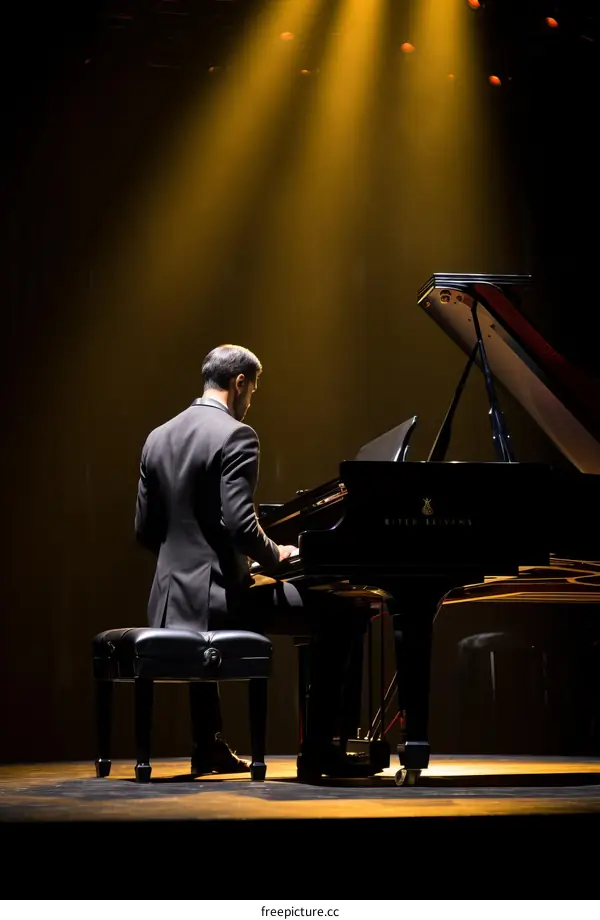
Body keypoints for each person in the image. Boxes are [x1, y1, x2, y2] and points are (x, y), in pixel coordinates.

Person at [135, 343, 376, 780]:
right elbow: (241, 527)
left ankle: (208, 746)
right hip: (222, 599)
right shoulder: (235, 435)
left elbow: (145, 531)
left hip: (168, 600)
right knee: (341, 610)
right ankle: (320, 750)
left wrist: (188, 567)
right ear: (239, 383)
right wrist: (277, 553)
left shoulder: (156, 437)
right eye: (253, 390)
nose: (251, 401)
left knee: (314, 607)